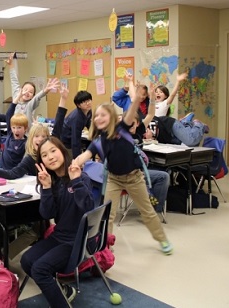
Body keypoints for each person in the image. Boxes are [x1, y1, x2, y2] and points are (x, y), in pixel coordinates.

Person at [76, 78, 173, 255]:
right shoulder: (98, 141)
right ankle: (105, 246)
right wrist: (73, 165)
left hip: (134, 177)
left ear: (112, 117)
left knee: (147, 211)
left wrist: (137, 93)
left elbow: (134, 106)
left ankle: (162, 239)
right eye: (96, 115)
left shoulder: (122, 128)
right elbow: (85, 156)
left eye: (103, 114)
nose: (99, 118)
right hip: (114, 179)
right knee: (109, 215)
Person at [20, 136, 95, 307]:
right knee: (26, 261)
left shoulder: (81, 177)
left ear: (62, 151)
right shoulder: (52, 182)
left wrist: (76, 180)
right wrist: (46, 187)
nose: (50, 157)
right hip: (60, 237)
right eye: (45, 155)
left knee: (40, 269)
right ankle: (63, 290)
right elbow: (47, 214)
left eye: (53, 151)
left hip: (78, 241)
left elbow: (88, 208)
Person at [7, 52, 59, 125]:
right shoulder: (17, 94)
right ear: (21, 90)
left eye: (31, 92)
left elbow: (37, 97)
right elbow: (14, 80)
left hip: (27, 133)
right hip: (14, 130)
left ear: (32, 96)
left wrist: (45, 90)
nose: (27, 92)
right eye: (25, 90)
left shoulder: (30, 104)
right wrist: (11, 65)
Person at [0, 94, 28, 169]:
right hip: (0, 167)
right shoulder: (10, 133)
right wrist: (17, 99)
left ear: (25, 128)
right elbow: (9, 114)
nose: (16, 130)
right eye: (14, 127)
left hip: (12, 171)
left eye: (19, 127)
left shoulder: (26, 143)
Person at [60, 90, 92, 158]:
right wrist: (77, 158)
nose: (88, 103)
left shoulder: (88, 111)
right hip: (66, 141)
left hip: (74, 138)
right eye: (84, 102)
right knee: (71, 160)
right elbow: (75, 140)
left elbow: (90, 125)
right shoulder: (76, 117)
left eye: (89, 100)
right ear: (78, 105)